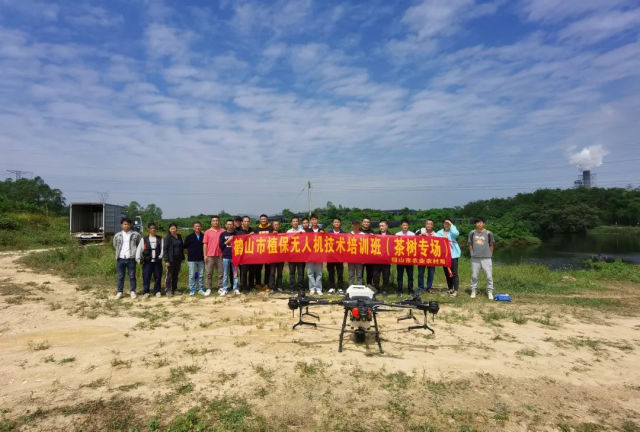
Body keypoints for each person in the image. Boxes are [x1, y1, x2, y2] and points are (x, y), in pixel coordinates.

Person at [113, 217, 142, 299]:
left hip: (131, 258)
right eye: (125, 224)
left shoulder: (136, 235)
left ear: (131, 225)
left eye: (128, 224)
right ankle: (120, 292)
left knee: (132, 276)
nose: (126, 226)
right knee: (120, 276)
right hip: (120, 258)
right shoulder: (117, 235)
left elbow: (139, 246)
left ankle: (132, 291)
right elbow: (115, 245)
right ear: (121, 225)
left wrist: (138, 257)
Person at [469, 217, 496, 299]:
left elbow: (492, 244)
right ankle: (473, 290)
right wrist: (472, 254)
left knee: (489, 276)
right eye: (477, 222)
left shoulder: (489, 233)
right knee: (474, 275)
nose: (479, 224)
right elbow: (470, 244)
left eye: (481, 222)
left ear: (484, 224)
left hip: (486, 258)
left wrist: (490, 254)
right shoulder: (472, 233)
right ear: (475, 224)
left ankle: (490, 292)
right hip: (475, 258)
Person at [135, 222, 163, 298]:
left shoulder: (160, 239)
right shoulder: (144, 239)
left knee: (158, 276)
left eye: (154, 228)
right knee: (146, 277)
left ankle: (157, 291)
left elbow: (162, 249)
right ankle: (146, 291)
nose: (153, 229)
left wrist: (160, 257)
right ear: (149, 229)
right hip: (147, 262)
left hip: (157, 261)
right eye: (151, 228)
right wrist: (138, 259)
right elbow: (139, 249)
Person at [184, 221, 211, 296]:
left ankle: (200, 289)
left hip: (201, 259)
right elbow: (185, 248)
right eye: (196, 226)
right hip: (192, 259)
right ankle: (192, 289)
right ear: (193, 228)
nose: (198, 227)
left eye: (199, 226)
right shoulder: (189, 237)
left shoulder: (204, 236)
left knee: (201, 275)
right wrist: (190, 254)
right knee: (192, 275)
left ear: (201, 227)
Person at [437, 218, 461, 297]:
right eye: (445, 223)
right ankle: (450, 288)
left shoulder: (452, 232)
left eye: (448, 223)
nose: (446, 225)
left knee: (454, 273)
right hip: (444, 255)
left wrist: (451, 225)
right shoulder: (439, 232)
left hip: (453, 255)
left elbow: (456, 233)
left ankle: (455, 290)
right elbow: (434, 240)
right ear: (443, 224)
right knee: (447, 273)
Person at [203, 215, 224, 294]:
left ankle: (220, 287)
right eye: (214, 221)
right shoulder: (207, 232)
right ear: (211, 222)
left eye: (217, 220)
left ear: (219, 221)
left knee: (221, 273)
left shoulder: (223, 231)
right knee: (208, 273)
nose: (215, 222)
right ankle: (208, 288)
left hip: (220, 255)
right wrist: (205, 255)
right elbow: (205, 244)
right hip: (210, 255)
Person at [218, 219, 240, 296]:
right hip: (226, 257)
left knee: (235, 274)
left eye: (231, 224)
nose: (230, 226)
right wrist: (228, 241)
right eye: (228, 224)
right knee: (225, 274)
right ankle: (225, 289)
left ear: (233, 225)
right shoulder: (222, 234)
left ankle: (236, 288)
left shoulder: (237, 234)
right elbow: (221, 246)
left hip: (235, 257)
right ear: (226, 225)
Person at [415, 219, 437, 293]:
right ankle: (420, 288)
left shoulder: (435, 234)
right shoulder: (420, 231)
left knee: (431, 273)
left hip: (431, 257)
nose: (429, 225)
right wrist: (420, 236)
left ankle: (429, 287)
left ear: (433, 226)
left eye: (431, 224)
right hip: (422, 256)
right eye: (427, 223)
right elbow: (413, 239)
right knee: (421, 273)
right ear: (425, 224)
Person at [163, 223, 184, 297]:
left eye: (174, 228)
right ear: (169, 230)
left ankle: (174, 289)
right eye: (171, 228)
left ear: (176, 229)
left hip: (178, 259)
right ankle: (168, 290)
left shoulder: (179, 236)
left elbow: (181, 248)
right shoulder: (167, 238)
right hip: (170, 260)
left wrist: (182, 258)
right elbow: (165, 250)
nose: (173, 230)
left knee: (176, 275)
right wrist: (166, 260)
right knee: (169, 275)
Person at [395, 219, 415, 296]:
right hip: (400, 258)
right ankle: (399, 290)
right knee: (400, 276)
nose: (405, 227)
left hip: (409, 259)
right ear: (401, 226)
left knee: (410, 276)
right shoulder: (397, 234)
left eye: (406, 225)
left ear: (408, 226)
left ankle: (410, 290)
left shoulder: (412, 234)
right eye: (403, 225)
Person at [305, 214, 324, 295]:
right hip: (310, 254)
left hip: (319, 254)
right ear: (310, 221)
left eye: (315, 219)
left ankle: (319, 288)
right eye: (312, 220)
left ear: (317, 220)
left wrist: (323, 234)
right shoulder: (308, 231)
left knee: (319, 272)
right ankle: (312, 288)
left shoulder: (321, 230)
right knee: (310, 272)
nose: (314, 221)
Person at [373, 220, 393, 296]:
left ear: (387, 226)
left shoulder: (391, 235)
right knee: (376, 275)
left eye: (383, 226)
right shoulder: (375, 234)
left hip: (386, 259)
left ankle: (385, 289)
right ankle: (376, 289)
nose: (381, 227)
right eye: (380, 226)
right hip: (377, 259)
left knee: (386, 275)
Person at [287, 216, 305, 292]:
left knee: (301, 273)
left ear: (299, 223)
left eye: (296, 221)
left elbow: (305, 242)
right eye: (293, 221)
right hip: (291, 256)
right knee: (292, 272)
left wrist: (302, 235)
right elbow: (286, 243)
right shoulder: (288, 232)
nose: (295, 223)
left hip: (300, 256)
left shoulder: (302, 231)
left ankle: (300, 288)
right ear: (291, 223)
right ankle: (292, 288)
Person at [253, 214, 272, 291]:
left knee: (268, 269)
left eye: (264, 219)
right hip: (259, 252)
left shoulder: (271, 228)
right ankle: (258, 284)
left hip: (268, 252)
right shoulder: (256, 229)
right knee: (258, 269)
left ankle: (267, 284)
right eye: (262, 219)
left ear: (267, 220)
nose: (263, 220)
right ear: (260, 220)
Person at [326, 217, 344, 294]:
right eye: (335, 222)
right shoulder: (329, 233)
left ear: (340, 223)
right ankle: (331, 287)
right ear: (333, 223)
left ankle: (340, 287)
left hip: (340, 256)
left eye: (338, 222)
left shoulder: (343, 233)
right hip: (330, 256)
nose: (336, 223)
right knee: (331, 272)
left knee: (340, 272)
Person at [237, 216, 253, 293]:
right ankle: (243, 287)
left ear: (250, 222)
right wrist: (249, 235)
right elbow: (240, 241)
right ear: (242, 222)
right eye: (245, 221)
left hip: (251, 255)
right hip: (243, 256)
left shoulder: (252, 230)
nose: (246, 223)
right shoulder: (239, 232)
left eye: (248, 221)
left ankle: (251, 285)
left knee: (252, 271)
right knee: (243, 272)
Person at [268, 220, 284, 291]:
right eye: (275, 224)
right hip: (272, 257)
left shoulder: (283, 233)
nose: (276, 226)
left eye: (277, 224)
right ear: (272, 226)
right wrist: (272, 234)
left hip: (281, 256)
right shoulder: (269, 234)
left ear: (279, 225)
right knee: (272, 272)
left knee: (280, 272)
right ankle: (272, 287)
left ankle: (279, 286)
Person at [348, 220, 364, 286]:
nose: (356, 226)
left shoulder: (363, 234)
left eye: (357, 224)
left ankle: (359, 287)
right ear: (352, 225)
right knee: (351, 274)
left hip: (359, 258)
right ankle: (350, 287)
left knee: (359, 275)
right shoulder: (349, 234)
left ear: (359, 225)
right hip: (351, 257)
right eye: (354, 224)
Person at [361, 217, 375, 286]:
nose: (366, 223)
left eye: (368, 222)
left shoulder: (372, 232)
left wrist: (373, 237)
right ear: (362, 223)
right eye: (365, 222)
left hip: (369, 256)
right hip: (360, 255)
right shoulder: (358, 231)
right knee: (360, 272)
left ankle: (369, 285)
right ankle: (361, 285)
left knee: (370, 272)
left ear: (369, 223)